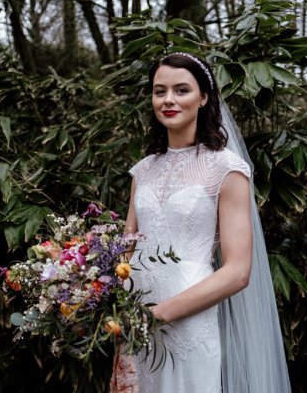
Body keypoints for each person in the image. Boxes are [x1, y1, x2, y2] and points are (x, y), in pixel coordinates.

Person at [110, 53, 291, 393]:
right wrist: (90, 290)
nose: (168, 100)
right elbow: (125, 252)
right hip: (131, 320)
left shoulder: (226, 169)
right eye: (159, 91)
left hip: (187, 322)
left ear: (203, 97)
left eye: (181, 90)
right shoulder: (143, 170)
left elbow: (238, 272)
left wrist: (158, 314)